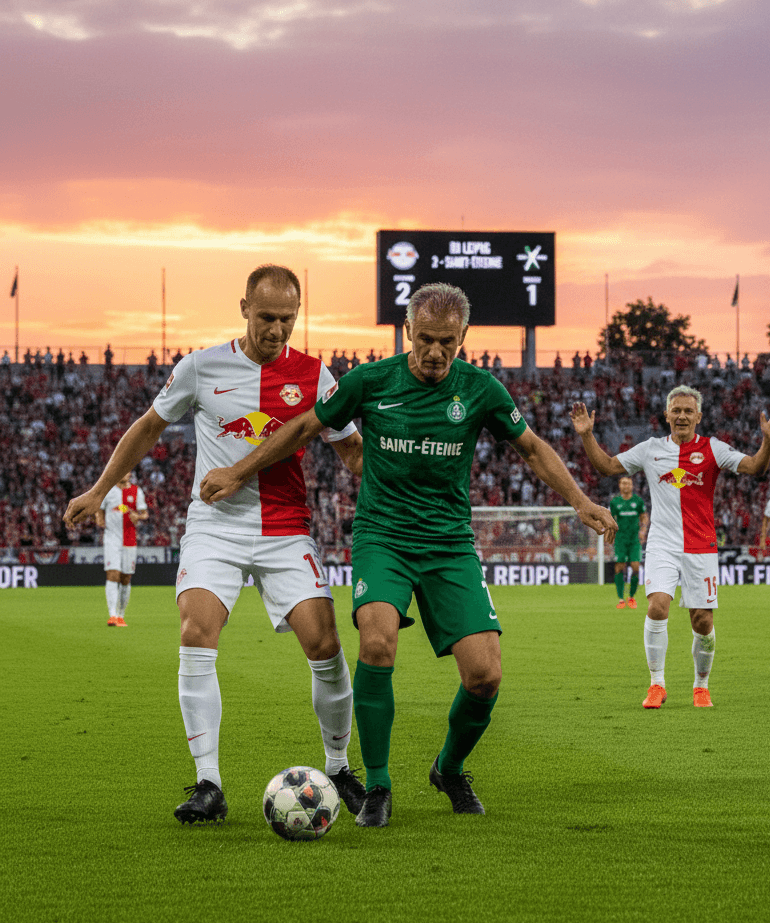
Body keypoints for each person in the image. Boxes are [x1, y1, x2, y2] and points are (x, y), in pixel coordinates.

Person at [200, 282, 617, 828]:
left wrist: (581, 500)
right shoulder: (370, 382)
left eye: (447, 341)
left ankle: (449, 767)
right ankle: (377, 785)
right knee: (375, 645)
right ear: (407, 333)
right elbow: (305, 425)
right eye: (425, 339)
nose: (436, 352)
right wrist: (237, 470)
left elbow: (533, 449)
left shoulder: (482, 389)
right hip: (383, 538)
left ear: (464, 338)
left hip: (449, 545)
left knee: (485, 677)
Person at [63, 265, 366, 826]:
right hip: (215, 526)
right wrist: (101, 489)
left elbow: (351, 450)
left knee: (324, 644)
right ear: (244, 307)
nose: (277, 330)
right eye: (268, 317)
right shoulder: (201, 367)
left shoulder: (316, 375)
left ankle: (340, 765)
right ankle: (209, 783)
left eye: (288, 319)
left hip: (286, 529)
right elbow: (149, 426)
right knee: (195, 631)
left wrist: (379, 484)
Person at [572, 386, 770, 710]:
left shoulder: (712, 449)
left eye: (688, 411)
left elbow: (755, 467)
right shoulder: (650, 449)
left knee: (702, 621)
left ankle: (701, 685)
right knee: (657, 605)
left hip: (701, 546)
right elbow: (607, 466)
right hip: (662, 543)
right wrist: (587, 435)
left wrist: (767, 440)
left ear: (698, 416)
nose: (682, 415)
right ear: (667, 415)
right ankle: (657, 684)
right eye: (676, 410)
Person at [95, 472, 149, 626]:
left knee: (126, 577)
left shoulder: (136, 491)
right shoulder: (108, 490)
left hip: (130, 539)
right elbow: (99, 506)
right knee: (113, 573)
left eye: (128, 471)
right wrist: (99, 517)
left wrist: (138, 517)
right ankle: (112, 615)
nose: (125, 473)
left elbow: (145, 513)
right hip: (112, 538)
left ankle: (120, 615)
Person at [609, 476, 648, 608]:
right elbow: (611, 519)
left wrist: (643, 530)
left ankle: (631, 597)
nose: (626, 486)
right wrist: (610, 533)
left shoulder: (637, 501)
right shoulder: (615, 502)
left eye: (628, 484)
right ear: (619, 486)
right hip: (620, 539)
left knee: (635, 566)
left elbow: (644, 517)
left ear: (632, 486)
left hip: (634, 539)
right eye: (624, 483)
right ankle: (621, 599)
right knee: (619, 567)